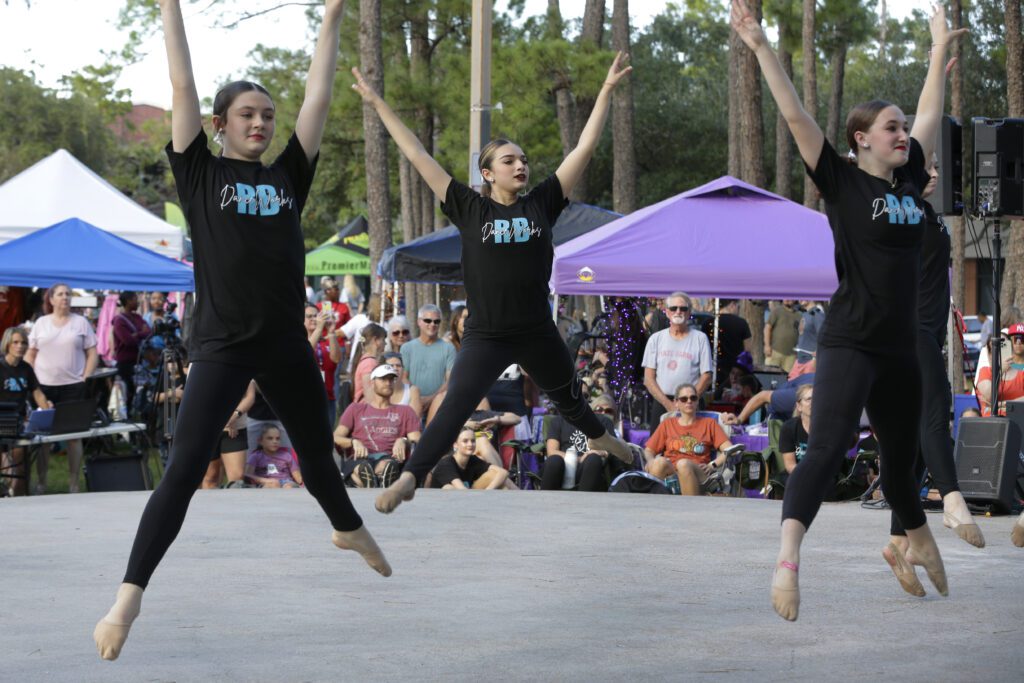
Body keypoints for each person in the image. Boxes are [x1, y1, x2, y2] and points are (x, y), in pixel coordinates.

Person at [93, 1, 389, 662]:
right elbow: (180, 87)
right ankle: (127, 599)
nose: (260, 123)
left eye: (267, 115)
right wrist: (170, 8)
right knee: (182, 469)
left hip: (285, 339)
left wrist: (333, 17)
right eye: (246, 114)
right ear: (220, 124)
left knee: (316, 457)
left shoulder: (288, 175)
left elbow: (319, 93)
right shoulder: (200, 171)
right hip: (223, 341)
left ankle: (347, 526)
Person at [732, 0, 962, 620]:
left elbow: (932, 113)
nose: (901, 134)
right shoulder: (842, 179)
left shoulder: (910, 181)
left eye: (901, 128)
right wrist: (759, 47)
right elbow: (794, 113)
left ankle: (911, 540)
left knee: (902, 456)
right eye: (890, 128)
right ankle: (787, 561)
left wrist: (938, 48)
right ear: (862, 139)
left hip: (901, 345)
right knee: (828, 446)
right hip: (851, 340)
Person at [352, 52, 635, 513]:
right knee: (452, 409)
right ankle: (408, 479)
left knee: (572, 404)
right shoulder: (470, 208)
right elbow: (417, 153)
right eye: (509, 160)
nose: (520, 165)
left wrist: (603, 93)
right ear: (487, 173)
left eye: (523, 160)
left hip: (537, 331)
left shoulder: (541, 202)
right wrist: (378, 104)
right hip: (485, 334)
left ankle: (616, 448)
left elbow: (582, 149)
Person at [888, 152, 986, 557]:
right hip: (910, 334)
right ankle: (951, 499)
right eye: (928, 167)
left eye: (937, 167)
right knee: (934, 416)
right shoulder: (901, 209)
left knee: (912, 441)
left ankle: (899, 539)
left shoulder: (928, 212)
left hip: (926, 332)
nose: (936, 174)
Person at [25, 283, 99, 495]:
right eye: (60, 294)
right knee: (44, 438)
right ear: (51, 299)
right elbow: (30, 354)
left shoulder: (81, 322)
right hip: (43, 387)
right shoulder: (41, 323)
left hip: (73, 387)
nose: (65, 297)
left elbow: (92, 353)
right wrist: (32, 382)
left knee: (74, 437)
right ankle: (41, 482)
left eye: (68, 294)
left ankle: (74, 483)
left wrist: (85, 377)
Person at [333, 364, 421, 488]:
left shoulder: (405, 411)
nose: (388, 383)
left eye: (391, 379)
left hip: (389, 457)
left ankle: (373, 480)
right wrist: (354, 442)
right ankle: (376, 481)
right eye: (383, 379)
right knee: (362, 468)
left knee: (386, 465)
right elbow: (335, 437)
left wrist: (403, 440)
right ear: (372, 382)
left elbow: (416, 439)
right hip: (361, 458)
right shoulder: (356, 408)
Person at [643, 383, 736, 496]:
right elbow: (649, 451)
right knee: (659, 462)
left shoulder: (709, 423)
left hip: (699, 473)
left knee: (683, 464)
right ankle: (654, 507)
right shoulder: (667, 424)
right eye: (683, 399)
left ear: (697, 401)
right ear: (676, 403)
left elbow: (730, 449)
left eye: (693, 398)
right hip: (672, 473)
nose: (689, 401)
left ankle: (689, 508)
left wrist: (713, 465)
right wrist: (650, 461)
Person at [642, 291, 713, 426]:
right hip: (662, 403)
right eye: (674, 308)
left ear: (689, 312)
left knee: (692, 444)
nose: (678, 311)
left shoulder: (700, 338)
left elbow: (707, 376)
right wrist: (668, 404)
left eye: (683, 308)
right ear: (667, 312)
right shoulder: (655, 339)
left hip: (691, 404)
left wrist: (687, 401)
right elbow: (648, 378)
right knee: (658, 447)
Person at [0, 326, 52, 497]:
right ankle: (10, 489)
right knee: (9, 460)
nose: (20, 346)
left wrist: (47, 410)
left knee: (21, 457)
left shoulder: (26, 368)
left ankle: (18, 493)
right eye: (15, 342)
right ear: (7, 344)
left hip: (21, 422)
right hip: (3, 421)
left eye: (23, 342)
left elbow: (37, 392)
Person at [541, 394, 623, 492]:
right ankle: (546, 500)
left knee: (593, 459)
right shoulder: (558, 421)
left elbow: (611, 447)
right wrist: (578, 458)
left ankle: (584, 503)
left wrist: (597, 453)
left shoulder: (603, 421)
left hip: (589, 467)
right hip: (564, 464)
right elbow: (552, 451)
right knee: (554, 460)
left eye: (583, 395)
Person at [401, 304, 456, 415]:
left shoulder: (449, 348)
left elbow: (450, 380)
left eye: (436, 321)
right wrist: (417, 399)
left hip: (439, 403)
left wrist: (430, 399)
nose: (432, 324)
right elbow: (404, 377)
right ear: (419, 322)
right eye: (428, 320)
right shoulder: (407, 348)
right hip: (412, 403)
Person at [201, 380, 256, 489]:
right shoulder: (197, 365)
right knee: (210, 477)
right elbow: (199, 397)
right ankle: (211, 506)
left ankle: (234, 506)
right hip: (207, 428)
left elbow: (250, 396)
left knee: (237, 479)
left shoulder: (242, 365)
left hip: (236, 429)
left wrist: (234, 416)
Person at [429, 426, 509, 490]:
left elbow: (503, 472)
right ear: (455, 445)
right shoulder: (446, 464)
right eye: (465, 441)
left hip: (466, 497)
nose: (470, 444)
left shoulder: (472, 460)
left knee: (497, 479)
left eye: (473, 441)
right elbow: (461, 490)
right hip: (441, 504)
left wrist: (488, 491)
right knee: (449, 488)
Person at [112, 291, 152, 410]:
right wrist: (141, 333)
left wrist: (136, 334)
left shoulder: (138, 317)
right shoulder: (119, 321)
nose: (138, 301)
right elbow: (128, 341)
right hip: (125, 365)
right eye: (135, 299)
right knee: (127, 396)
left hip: (139, 363)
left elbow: (149, 332)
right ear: (128, 301)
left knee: (140, 395)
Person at [702, 299, 751, 394]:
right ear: (732, 304)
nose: (738, 309)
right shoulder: (741, 323)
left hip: (713, 367)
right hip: (735, 370)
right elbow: (748, 349)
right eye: (738, 306)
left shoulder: (708, 322)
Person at [305, 304, 341, 426]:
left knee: (327, 439)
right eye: (309, 316)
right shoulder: (299, 341)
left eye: (316, 315)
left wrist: (331, 333)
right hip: (306, 398)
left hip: (327, 397)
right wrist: (319, 329)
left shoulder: (325, 340)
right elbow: (306, 354)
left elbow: (336, 359)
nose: (314, 319)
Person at [975, 334, 1024, 416]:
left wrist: (1004, 404)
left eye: (1003, 346)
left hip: (1016, 423)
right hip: (991, 424)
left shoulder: (1021, 374)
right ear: (989, 354)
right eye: (994, 348)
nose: (999, 351)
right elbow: (989, 395)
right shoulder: (985, 371)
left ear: (1011, 350)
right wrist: (1000, 371)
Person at [353, 323, 387, 404]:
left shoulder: (367, 360)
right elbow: (370, 396)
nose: (385, 343)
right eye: (383, 340)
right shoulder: (369, 363)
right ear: (376, 340)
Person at [789, 301, 825, 379]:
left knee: (805, 388)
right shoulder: (805, 314)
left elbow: (823, 338)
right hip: (800, 360)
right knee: (791, 384)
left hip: (810, 361)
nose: (800, 298)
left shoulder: (817, 314)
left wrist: (814, 360)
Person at [764, 300, 802, 373]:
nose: (787, 299)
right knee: (771, 377)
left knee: (787, 380)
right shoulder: (777, 311)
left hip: (791, 356)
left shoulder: (799, 315)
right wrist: (767, 346)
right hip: (774, 352)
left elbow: (801, 333)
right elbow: (767, 328)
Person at [380, 352, 423, 416]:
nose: (395, 368)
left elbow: (414, 420)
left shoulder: (412, 391)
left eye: (398, 366)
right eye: (390, 366)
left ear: (403, 369)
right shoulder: (377, 391)